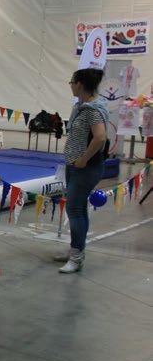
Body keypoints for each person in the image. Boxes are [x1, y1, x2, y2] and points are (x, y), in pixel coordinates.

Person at [55, 68, 110, 273]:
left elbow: (100, 137)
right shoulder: (82, 106)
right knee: (77, 210)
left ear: (79, 84)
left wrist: (84, 160)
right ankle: (75, 250)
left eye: (71, 82)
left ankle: (76, 257)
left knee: (75, 210)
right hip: (75, 165)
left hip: (84, 168)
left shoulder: (92, 110)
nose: (70, 85)